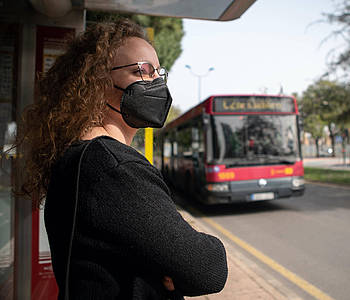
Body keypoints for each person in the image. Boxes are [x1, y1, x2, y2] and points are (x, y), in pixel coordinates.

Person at [17, 18, 228, 300]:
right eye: (142, 70)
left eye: (158, 73)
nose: (156, 83)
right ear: (98, 81)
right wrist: (171, 267)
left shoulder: (80, 155)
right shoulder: (112, 167)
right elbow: (208, 268)